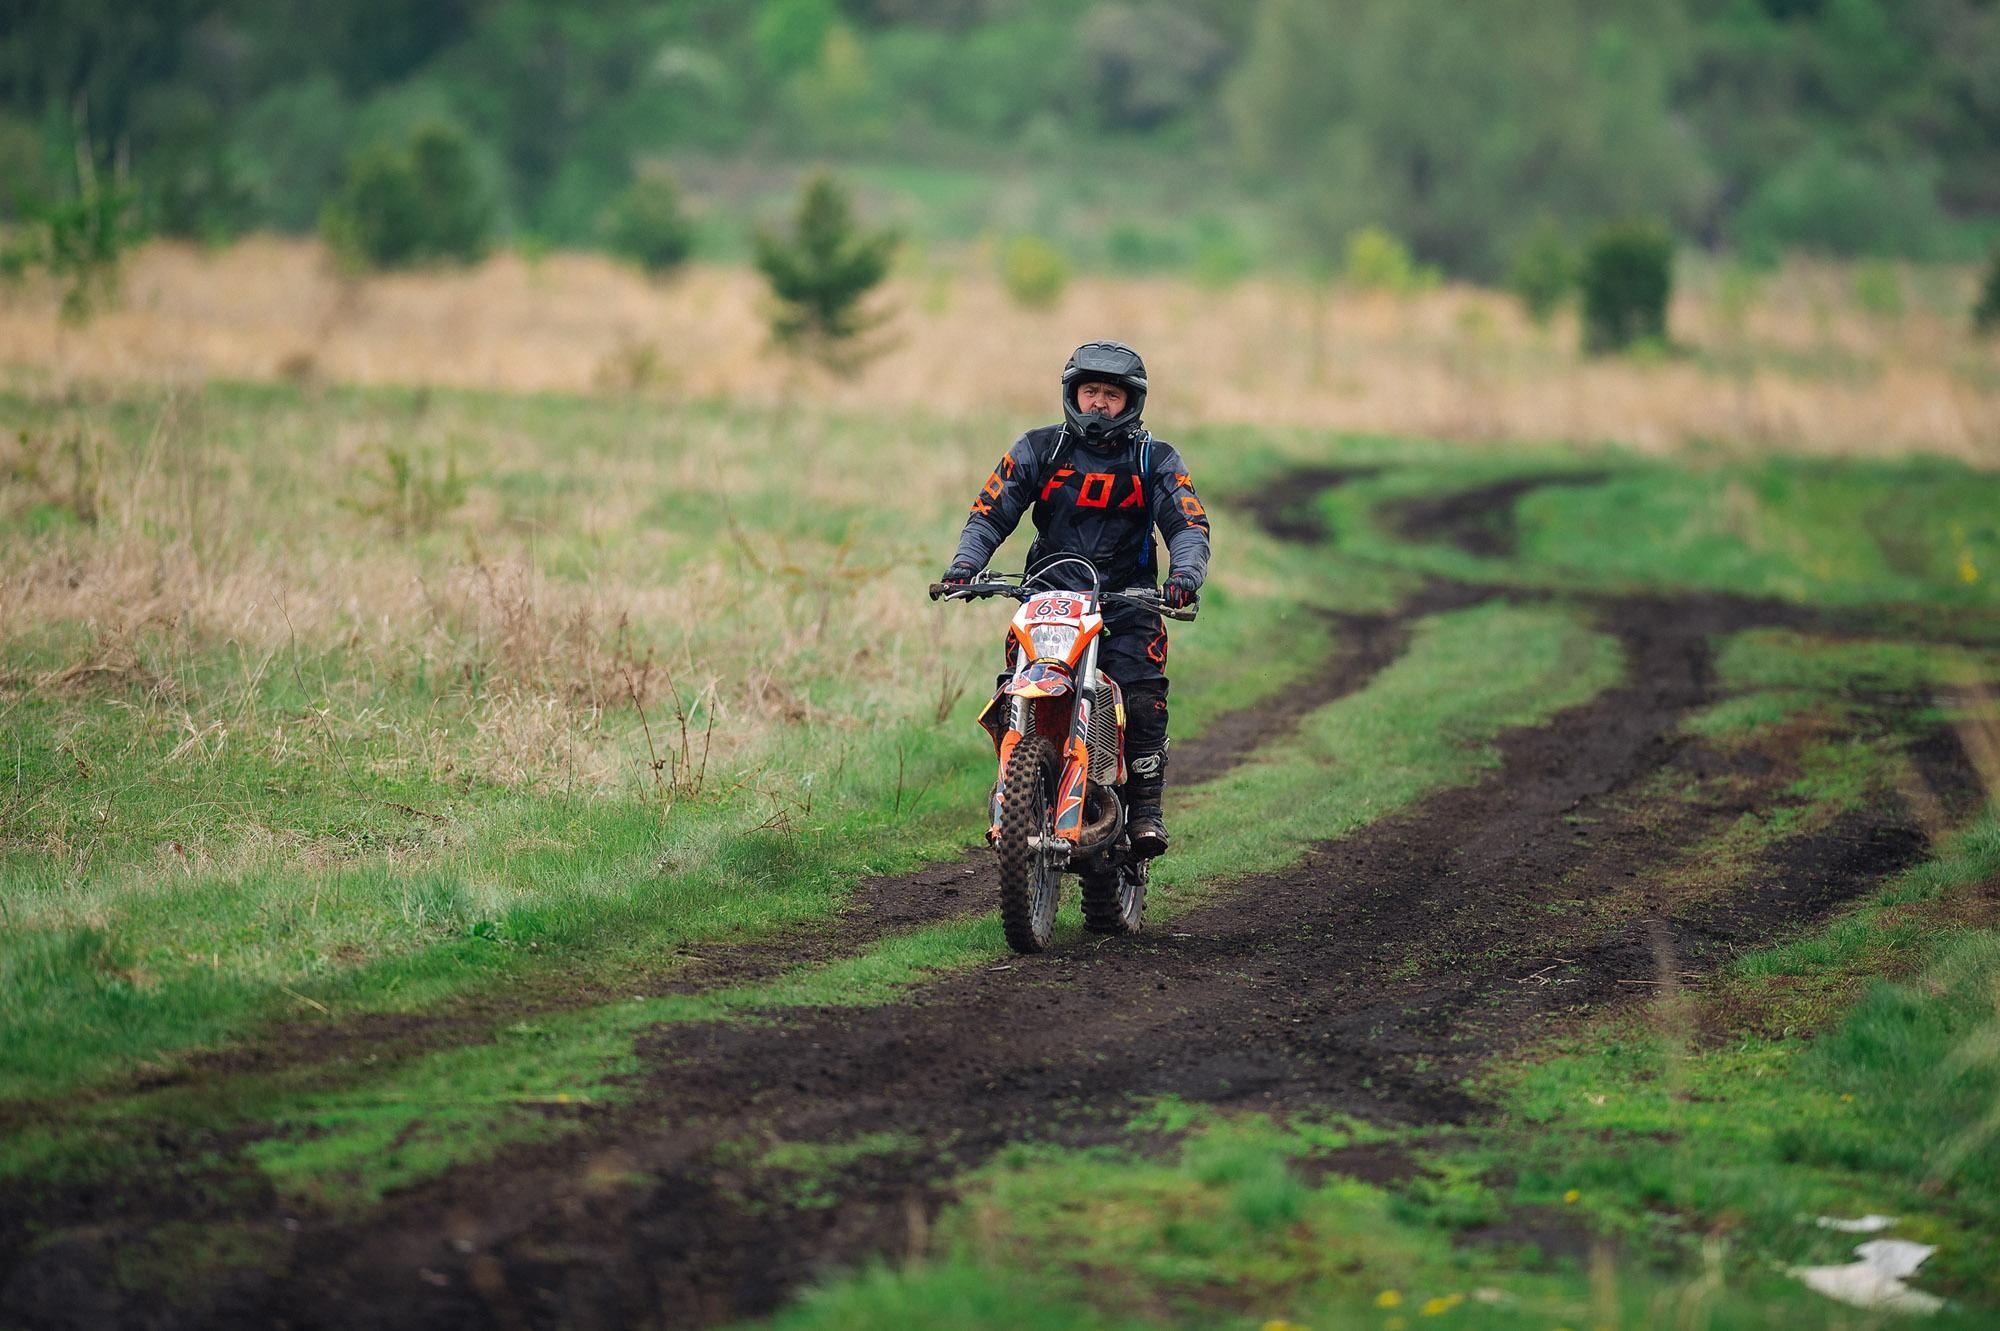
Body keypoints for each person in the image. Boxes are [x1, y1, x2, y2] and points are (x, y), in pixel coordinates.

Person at [939, 339, 1211, 858]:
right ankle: (1016, 793)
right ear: (1073, 394)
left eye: (1111, 394)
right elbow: (990, 511)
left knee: (1143, 697)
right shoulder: (1039, 448)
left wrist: (1185, 575)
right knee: (1015, 687)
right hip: (1049, 597)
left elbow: (1188, 524)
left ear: (1131, 403)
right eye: (1091, 392)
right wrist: (965, 564)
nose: (1098, 405)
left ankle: (1146, 809)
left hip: (1129, 603)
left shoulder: (1155, 458)